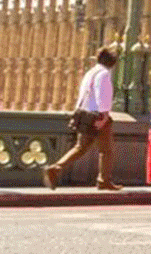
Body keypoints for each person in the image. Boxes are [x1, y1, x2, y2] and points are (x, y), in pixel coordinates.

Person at [44, 47, 121, 191]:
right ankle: (104, 180)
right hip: (97, 116)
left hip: (85, 114)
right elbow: (102, 96)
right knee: (106, 151)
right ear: (112, 63)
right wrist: (104, 117)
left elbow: (83, 94)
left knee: (80, 147)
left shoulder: (90, 72)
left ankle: (55, 168)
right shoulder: (104, 74)